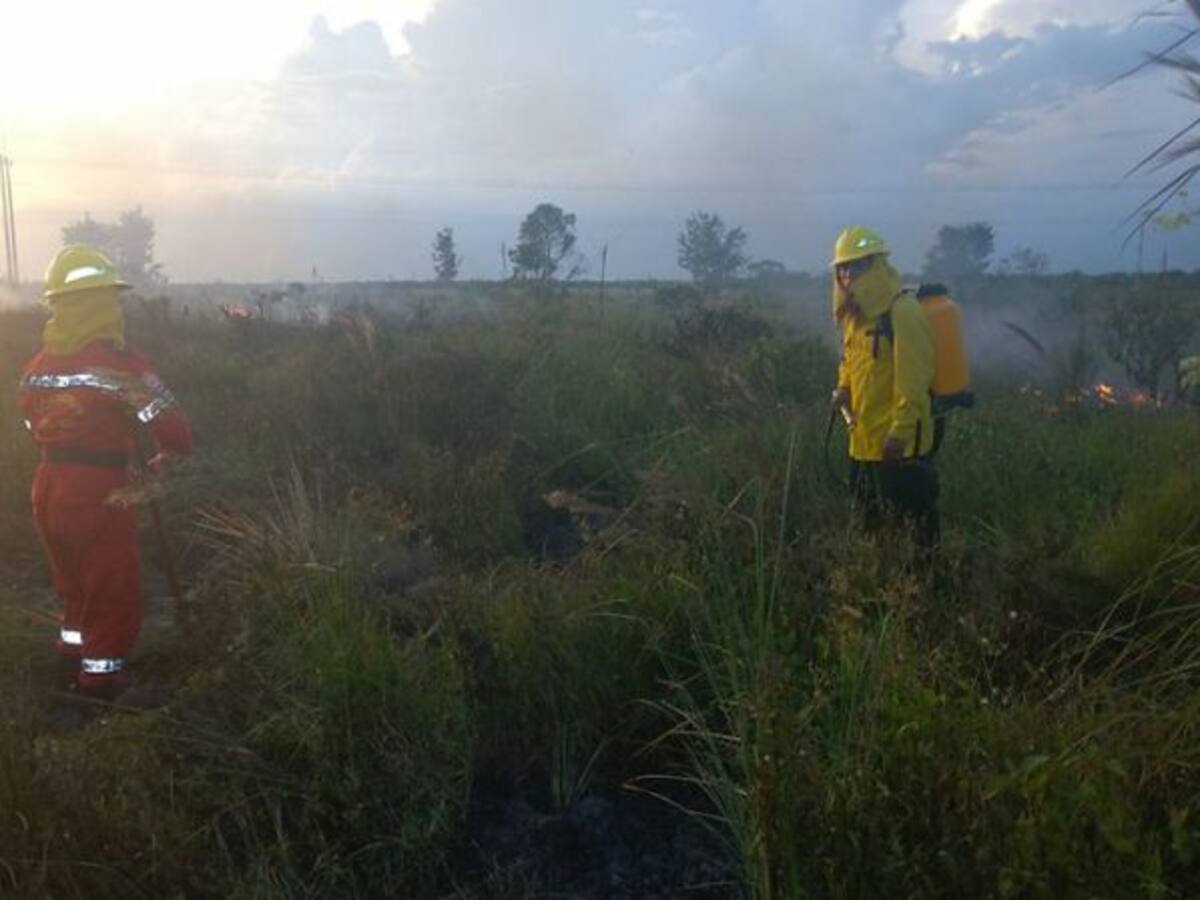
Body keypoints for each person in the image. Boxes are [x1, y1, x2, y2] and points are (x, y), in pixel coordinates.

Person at [18, 245, 193, 704]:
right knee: (113, 587)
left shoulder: (38, 367)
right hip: (99, 494)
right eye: (109, 298)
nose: (116, 307)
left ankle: (71, 658)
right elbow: (173, 426)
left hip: (47, 488)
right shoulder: (119, 363)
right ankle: (102, 686)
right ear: (99, 303)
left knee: (73, 582)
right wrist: (166, 455)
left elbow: (30, 423)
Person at [830, 226, 940, 548]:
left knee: (914, 533)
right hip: (862, 442)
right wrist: (843, 390)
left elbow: (914, 380)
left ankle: (925, 588)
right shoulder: (854, 316)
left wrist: (899, 433)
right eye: (843, 267)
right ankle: (878, 585)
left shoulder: (903, 312)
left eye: (857, 265)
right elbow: (850, 363)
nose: (848, 275)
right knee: (869, 527)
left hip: (900, 447)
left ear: (877, 265)